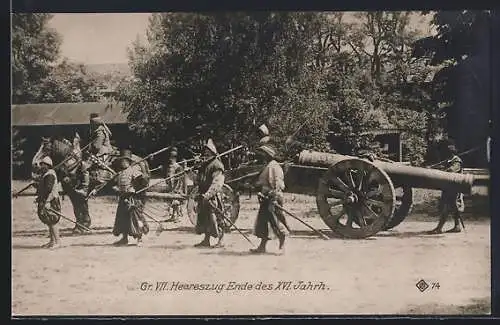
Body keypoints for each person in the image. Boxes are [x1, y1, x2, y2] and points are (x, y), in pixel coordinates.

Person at [250, 144, 289, 254]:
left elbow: (277, 184)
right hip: (266, 198)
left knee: (275, 222)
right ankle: (262, 247)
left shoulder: (273, 167)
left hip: (272, 198)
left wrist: (273, 197)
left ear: (267, 155)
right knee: (263, 222)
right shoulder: (268, 165)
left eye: (263, 154)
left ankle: (282, 246)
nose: (261, 156)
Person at [112, 149, 149, 246]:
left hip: (133, 199)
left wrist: (134, 189)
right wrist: (116, 188)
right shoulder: (120, 173)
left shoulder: (134, 171)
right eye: (122, 161)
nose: (123, 163)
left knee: (137, 218)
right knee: (122, 218)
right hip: (123, 198)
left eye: (125, 161)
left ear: (129, 162)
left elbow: (143, 182)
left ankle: (139, 238)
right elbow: (115, 183)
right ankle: (124, 239)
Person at [194, 139, 226, 248]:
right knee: (205, 218)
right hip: (203, 195)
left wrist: (209, 194)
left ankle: (221, 241)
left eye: (208, 153)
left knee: (216, 218)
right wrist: (192, 170)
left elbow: (217, 182)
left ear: (213, 153)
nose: (206, 155)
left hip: (213, 196)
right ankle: (206, 240)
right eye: (205, 153)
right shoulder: (204, 165)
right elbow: (197, 180)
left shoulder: (217, 165)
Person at [428, 142, 465, 234]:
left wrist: (442, 170)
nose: (444, 154)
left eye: (447, 153)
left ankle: (439, 228)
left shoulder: (456, 161)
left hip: (454, 187)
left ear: (451, 152)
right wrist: (432, 168)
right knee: (452, 206)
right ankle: (457, 226)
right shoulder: (448, 160)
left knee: (447, 207)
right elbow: (441, 166)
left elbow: (452, 170)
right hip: (448, 187)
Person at [60, 152, 92, 234]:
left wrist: (84, 187)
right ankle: (82, 222)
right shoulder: (65, 162)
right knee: (76, 205)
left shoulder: (81, 164)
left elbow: (85, 175)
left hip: (80, 185)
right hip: (72, 185)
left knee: (80, 204)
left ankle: (83, 223)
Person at [35, 156, 62, 249]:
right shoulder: (46, 174)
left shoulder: (50, 175)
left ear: (47, 165)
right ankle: (52, 241)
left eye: (43, 164)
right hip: (47, 200)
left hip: (51, 200)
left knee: (53, 221)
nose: (41, 166)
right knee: (49, 222)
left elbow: (48, 190)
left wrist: (46, 202)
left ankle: (57, 242)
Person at [164, 147, 184, 222]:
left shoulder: (178, 167)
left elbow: (179, 179)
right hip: (170, 186)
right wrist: (167, 180)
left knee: (176, 200)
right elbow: (167, 175)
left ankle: (176, 216)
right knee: (171, 200)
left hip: (176, 187)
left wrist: (176, 188)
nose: (170, 159)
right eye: (170, 157)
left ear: (175, 158)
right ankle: (173, 215)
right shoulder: (169, 167)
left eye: (172, 157)